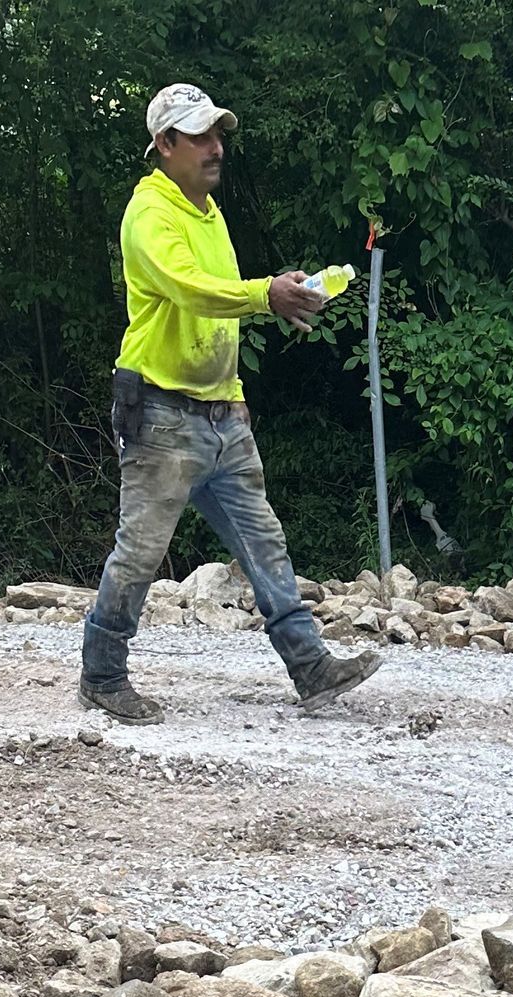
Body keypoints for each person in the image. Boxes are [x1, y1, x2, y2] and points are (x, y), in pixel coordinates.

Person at [80, 82, 378, 724]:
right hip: (159, 411)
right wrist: (265, 294)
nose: (217, 147)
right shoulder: (149, 214)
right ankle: (101, 676)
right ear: (165, 145)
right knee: (140, 551)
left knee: (264, 542)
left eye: (218, 134)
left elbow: (222, 304)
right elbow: (192, 290)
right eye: (201, 136)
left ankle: (310, 666)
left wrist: (238, 391)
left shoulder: (208, 211)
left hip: (220, 413)